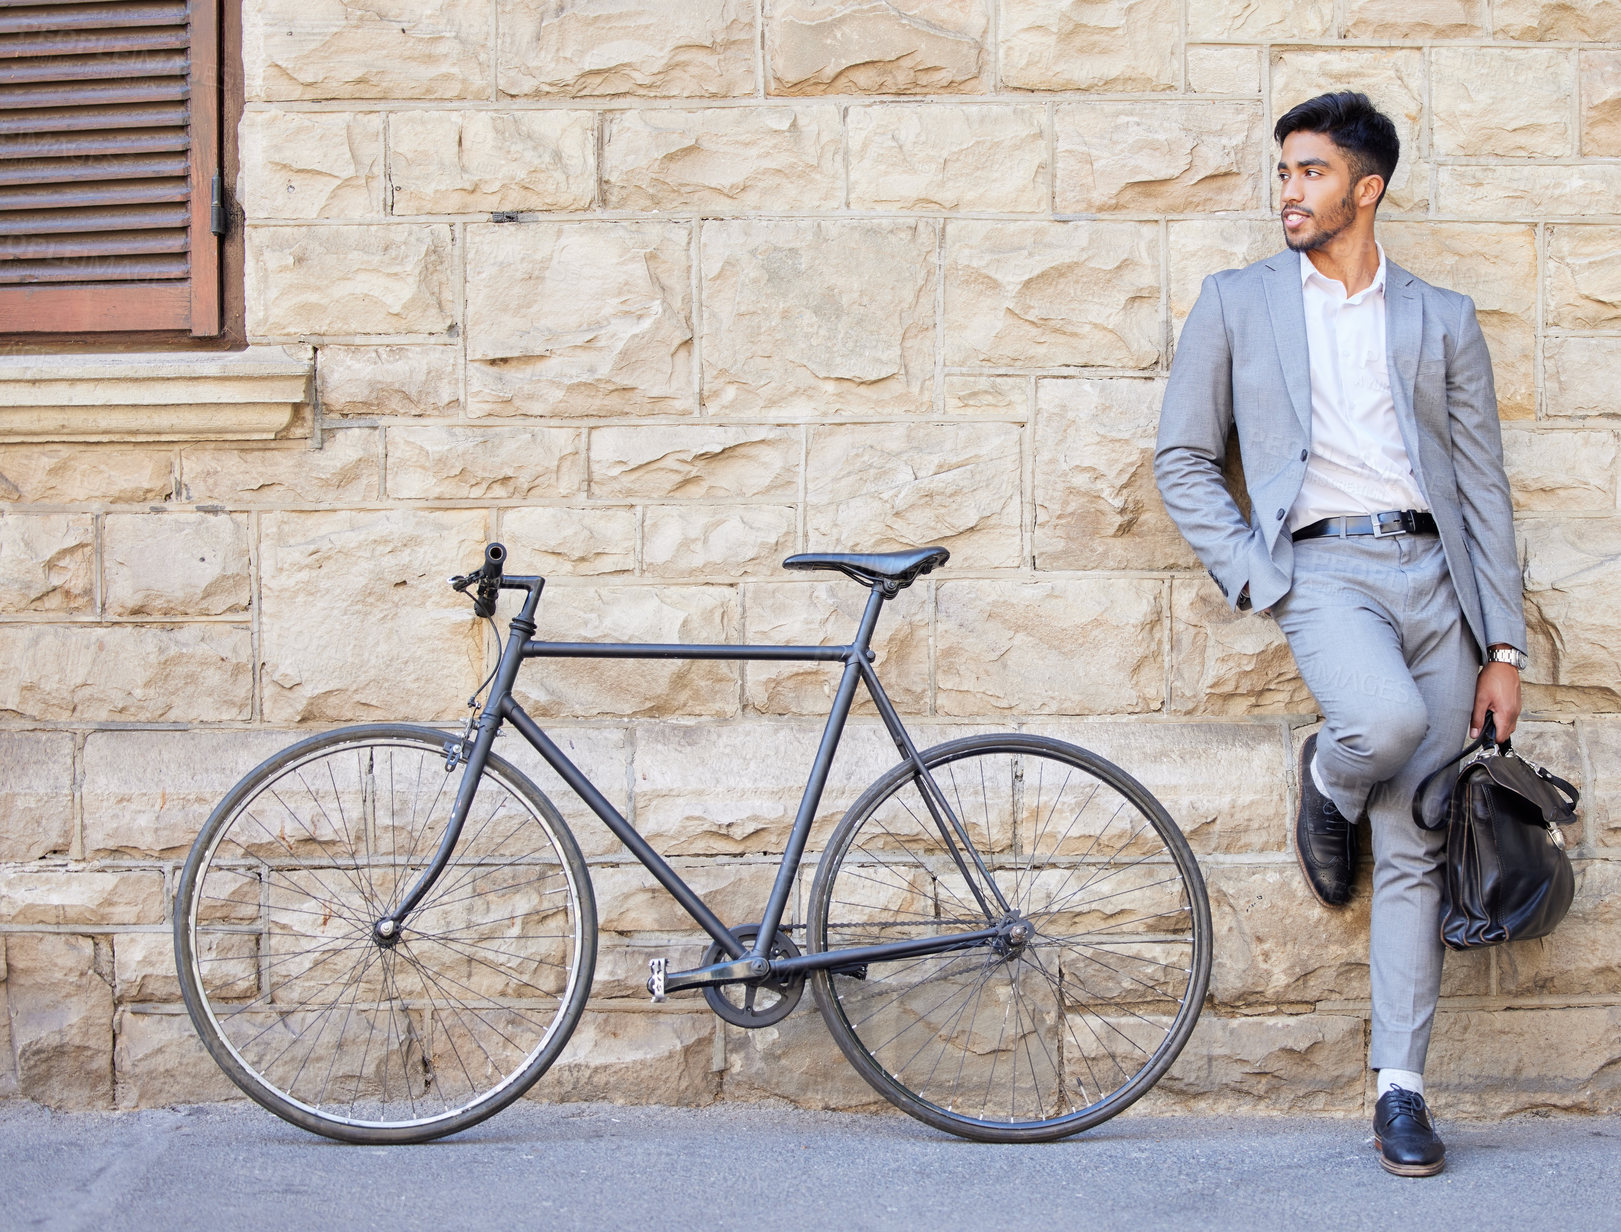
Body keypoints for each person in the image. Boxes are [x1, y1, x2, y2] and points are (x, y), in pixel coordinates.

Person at [1154, 91, 1528, 1178]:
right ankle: (1328, 772)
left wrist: (1502, 645)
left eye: (1310, 173)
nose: (1288, 192)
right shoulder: (1236, 303)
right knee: (1381, 723)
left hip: (1439, 580)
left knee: (1415, 839)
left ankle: (1398, 1089)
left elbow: (1482, 485)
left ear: (1367, 187)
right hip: (1323, 569)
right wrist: (1258, 573)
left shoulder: (1440, 318)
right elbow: (1183, 457)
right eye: (1282, 173)